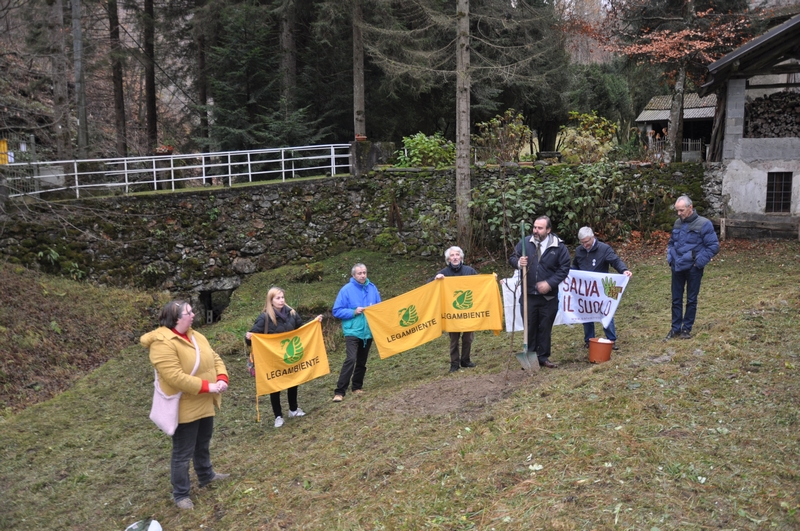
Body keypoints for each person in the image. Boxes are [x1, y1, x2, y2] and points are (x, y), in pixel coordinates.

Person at [141, 300, 229, 510]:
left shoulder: (196, 335)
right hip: (184, 406)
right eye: (189, 312)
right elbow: (175, 377)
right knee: (182, 453)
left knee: (203, 442)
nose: (193, 315)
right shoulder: (162, 343)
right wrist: (209, 386)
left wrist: (222, 377)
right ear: (176, 319)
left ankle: (206, 475)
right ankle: (181, 494)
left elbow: (214, 357)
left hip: (204, 401)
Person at [245, 287, 323, 428]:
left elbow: (301, 329)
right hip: (272, 357)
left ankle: (293, 409)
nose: (281, 301)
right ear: (271, 300)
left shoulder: (292, 313)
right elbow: (252, 337)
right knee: (275, 385)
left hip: (289, 355)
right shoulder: (265, 317)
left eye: (282, 297)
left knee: (293, 380)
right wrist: (249, 337)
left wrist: (314, 323)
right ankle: (278, 416)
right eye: (278, 298)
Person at [508, 216, 571, 368]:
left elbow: (564, 268)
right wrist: (518, 263)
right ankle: (530, 356)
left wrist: (550, 283)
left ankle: (543, 357)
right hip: (528, 295)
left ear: (548, 230)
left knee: (545, 326)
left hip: (548, 297)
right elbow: (512, 257)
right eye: (535, 227)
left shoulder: (558, 247)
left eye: (540, 228)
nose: (536, 231)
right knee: (529, 326)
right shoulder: (525, 243)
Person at [666, 195, 719, 340]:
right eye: (677, 210)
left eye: (681, 210)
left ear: (690, 207)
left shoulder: (704, 224)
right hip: (677, 267)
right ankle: (675, 329)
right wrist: (670, 259)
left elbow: (713, 246)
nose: (679, 214)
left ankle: (686, 329)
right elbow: (671, 243)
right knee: (676, 299)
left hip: (693, 269)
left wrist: (698, 263)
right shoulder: (677, 223)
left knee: (691, 299)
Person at [573, 227, 633, 351]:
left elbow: (615, 261)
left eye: (587, 242)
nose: (585, 245)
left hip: (601, 289)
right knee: (586, 314)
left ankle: (611, 339)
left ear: (593, 237)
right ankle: (589, 340)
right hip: (585, 290)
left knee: (606, 313)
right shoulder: (579, 251)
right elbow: (575, 266)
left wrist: (624, 270)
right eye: (582, 242)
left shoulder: (604, 249)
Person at [332, 263, 381, 401]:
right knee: (351, 359)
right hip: (352, 331)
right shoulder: (346, 290)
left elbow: (379, 307)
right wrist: (353, 311)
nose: (362, 275)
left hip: (368, 331)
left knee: (362, 360)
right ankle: (340, 391)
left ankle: (357, 387)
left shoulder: (372, 288)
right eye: (359, 273)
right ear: (353, 275)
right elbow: (336, 310)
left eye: (364, 272)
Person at [429, 245, 479, 373]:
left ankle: (466, 360)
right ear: (448, 259)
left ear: (461, 257)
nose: (455, 257)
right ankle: (454, 363)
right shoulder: (443, 273)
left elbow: (480, 285)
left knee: (468, 338)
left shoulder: (470, 271)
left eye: (457, 255)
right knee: (454, 339)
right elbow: (428, 286)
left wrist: (491, 280)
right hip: (451, 313)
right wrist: (435, 280)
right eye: (452, 255)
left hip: (468, 311)